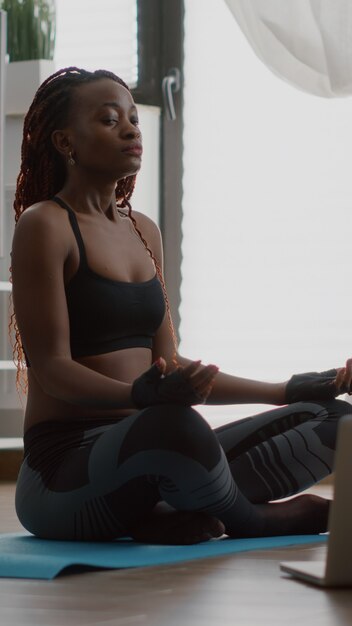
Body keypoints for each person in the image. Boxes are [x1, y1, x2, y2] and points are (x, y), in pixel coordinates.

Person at [11, 67, 352, 544]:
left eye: (133, 118)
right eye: (109, 120)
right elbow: (51, 370)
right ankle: (256, 520)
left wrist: (287, 388)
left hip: (155, 443)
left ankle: (172, 508)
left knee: (334, 418)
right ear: (66, 142)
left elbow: (172, 367)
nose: (131, 129)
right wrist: (141, 397)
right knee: (175, 428)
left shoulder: (143, 232)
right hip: (64, 475)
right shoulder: (44, 225)